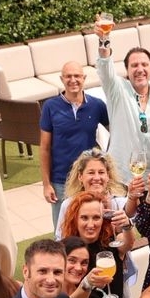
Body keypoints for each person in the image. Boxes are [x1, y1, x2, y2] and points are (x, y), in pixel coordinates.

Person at [39, 61, 110, 227]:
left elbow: (115, 131)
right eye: (68, 76)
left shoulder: (97, 105)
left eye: (77, 76)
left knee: (90, 225)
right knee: (62, 229)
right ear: (62, 79)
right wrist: (46, 184)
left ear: (84, 78)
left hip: (89, 179)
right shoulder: (50, 107)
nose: (73, 80)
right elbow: (44, 148)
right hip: (60, 180)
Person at [93, 26, 150, 177]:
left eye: (144, 65)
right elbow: (105, 65)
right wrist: (103, 40)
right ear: (127, 71)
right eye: (134, 65)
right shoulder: (117, 91)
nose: (140, 69)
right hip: (123, 178)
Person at [57, 149, 140, 238]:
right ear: (80, 176)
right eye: (91, 173)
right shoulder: (69, 205)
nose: (97, 178)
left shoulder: (117, 202)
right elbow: (60, 239)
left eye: (101, 172)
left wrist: (133, 197)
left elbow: (132, 214)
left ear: (108, 176)